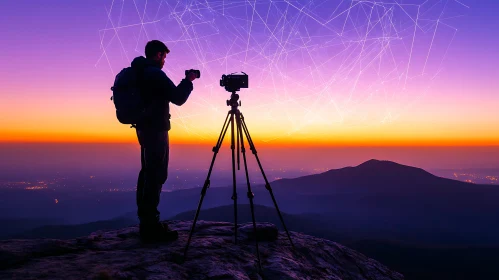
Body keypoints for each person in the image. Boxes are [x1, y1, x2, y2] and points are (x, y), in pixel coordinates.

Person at [131, 40, 197, 242]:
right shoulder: (154, 73)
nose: (165, 61)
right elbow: (177, 97)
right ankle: (151, 228)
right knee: (156, 174)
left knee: (147, 173)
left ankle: (147, 222)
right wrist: (189, 80)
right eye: (164, 56)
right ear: (158, 55)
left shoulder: (139, 72)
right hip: (156, 130)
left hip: (143, 128)